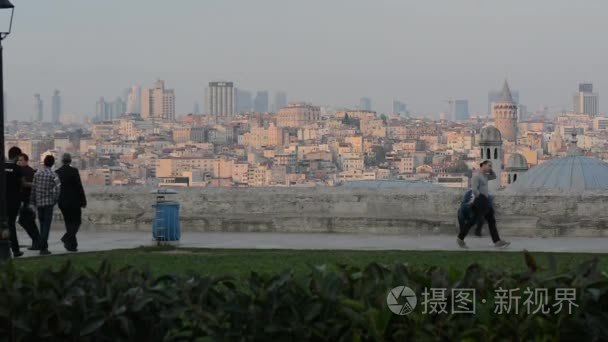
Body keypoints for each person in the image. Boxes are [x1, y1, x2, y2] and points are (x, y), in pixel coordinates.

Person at [457, 160, 510, 249]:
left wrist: (490, 170)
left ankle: (497, 241)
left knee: (490, 220)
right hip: (480, 200)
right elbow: (474, 189)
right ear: (483, 165)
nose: (490, 167)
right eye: (489, 165)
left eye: (491, 166)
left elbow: (494, 176)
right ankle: (460, 238)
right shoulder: (476, 176)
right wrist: (479, 198)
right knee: (474, 220)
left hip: (484, 200)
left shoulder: (485, 176)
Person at [55, 153, 86, 252]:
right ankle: (67, 239)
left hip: (62, 201)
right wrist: (83, 200)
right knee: (77, 222)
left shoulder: (57, 172)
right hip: (74, 201)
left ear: (62, 161)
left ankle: (71, 245)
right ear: (70, 160)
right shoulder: (74, 171)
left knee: (68, 223)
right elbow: (79, 186)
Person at [32, 155, 61, 255]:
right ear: (52, 164)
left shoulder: (37, 173)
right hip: (49, 203)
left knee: (42, 224)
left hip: (39, 203)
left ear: (44, 162)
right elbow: (58, 189)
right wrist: (55, 200)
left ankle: (42, 245)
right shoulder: (53, 175)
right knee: (46, 226)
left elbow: (33, 189)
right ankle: (43, 247)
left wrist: (33, 201)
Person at [17, 153, 42, 250]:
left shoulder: (28, 171)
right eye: (18, 160)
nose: (19, 162)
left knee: (25, 221)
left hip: (28, 201)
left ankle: (37, 241)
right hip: (26, 201)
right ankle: (37, 242)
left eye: (21, 160)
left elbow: (29, 184)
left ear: (26, 161)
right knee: (27, 222)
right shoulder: (24, 170)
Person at [4, 147, 25, 257]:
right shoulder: (17, 169)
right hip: (14, 200)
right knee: (11, 224)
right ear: (17, 156)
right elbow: (23, 183)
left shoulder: (3, 166)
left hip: (3, 200)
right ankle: (15, 250)